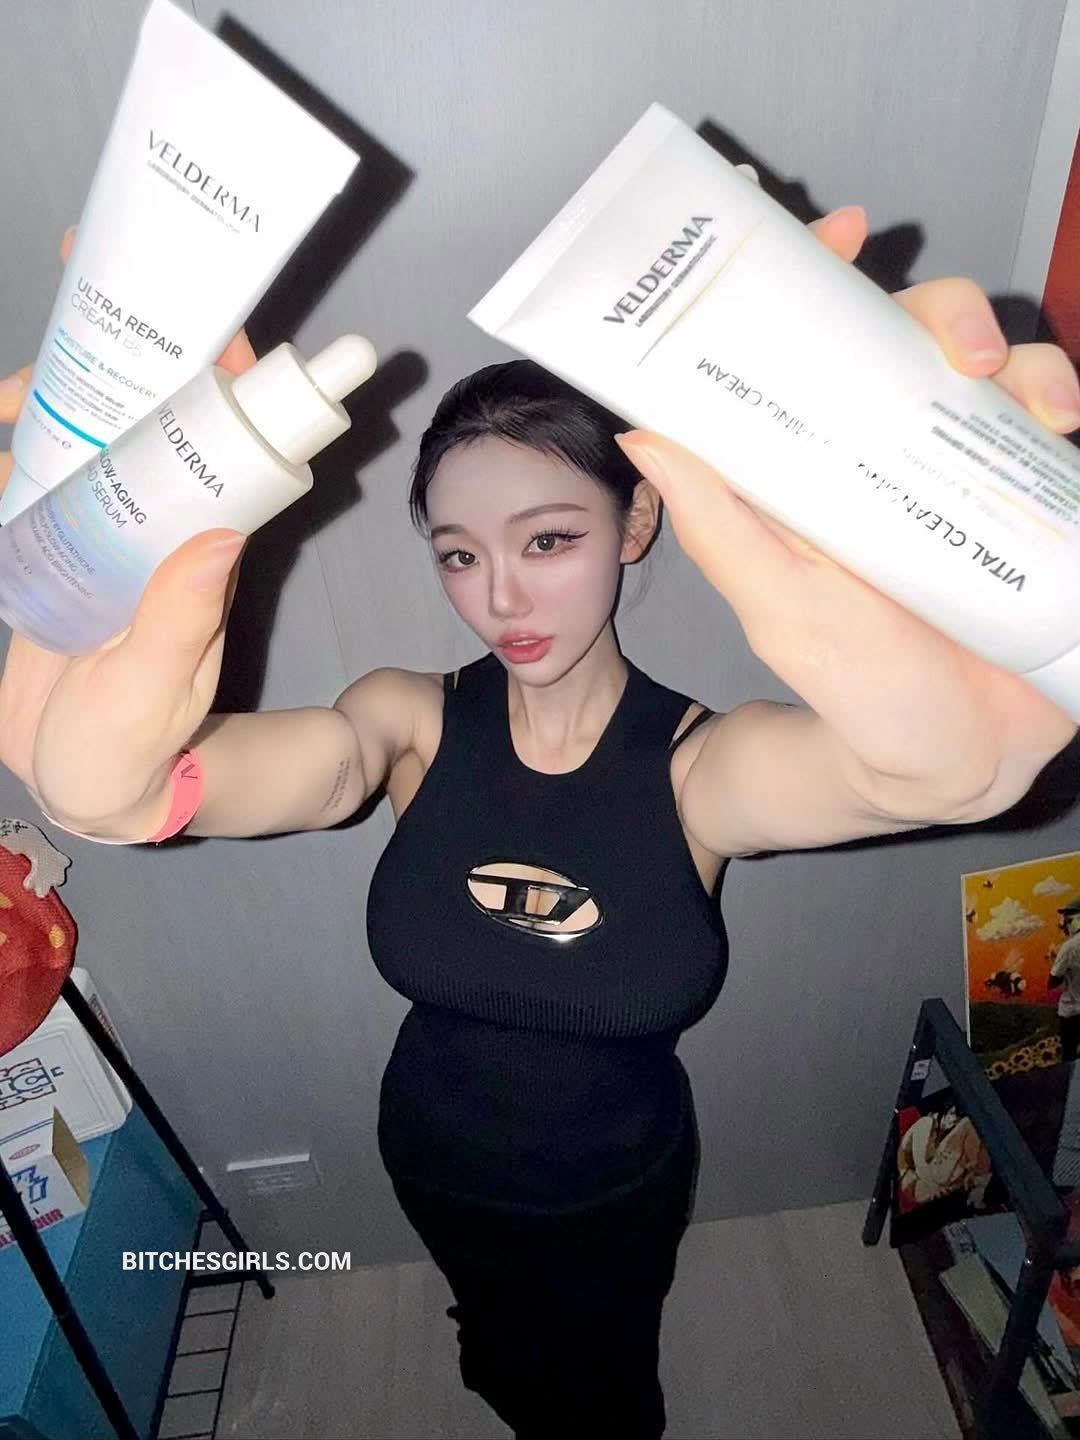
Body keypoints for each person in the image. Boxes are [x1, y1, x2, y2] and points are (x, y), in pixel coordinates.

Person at [1, 211, 1078, 1439]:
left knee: (604, 1394)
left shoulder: (701, 770)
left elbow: (906, 773)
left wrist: (975, 730)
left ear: (636, 523)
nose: (500, 596)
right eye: (460, 555)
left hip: (613, 1191)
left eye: (549, 539)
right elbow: (242, 775)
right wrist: (125, 786)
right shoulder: (407, 723)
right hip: (433, 1156)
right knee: (494, 1337)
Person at [1051, 901, 1080, 1064]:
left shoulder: (1069, 947)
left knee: (1069, 1056)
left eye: (1068, 920)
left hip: (1072, 1012)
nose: (1065, 925)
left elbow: (1053, 980)